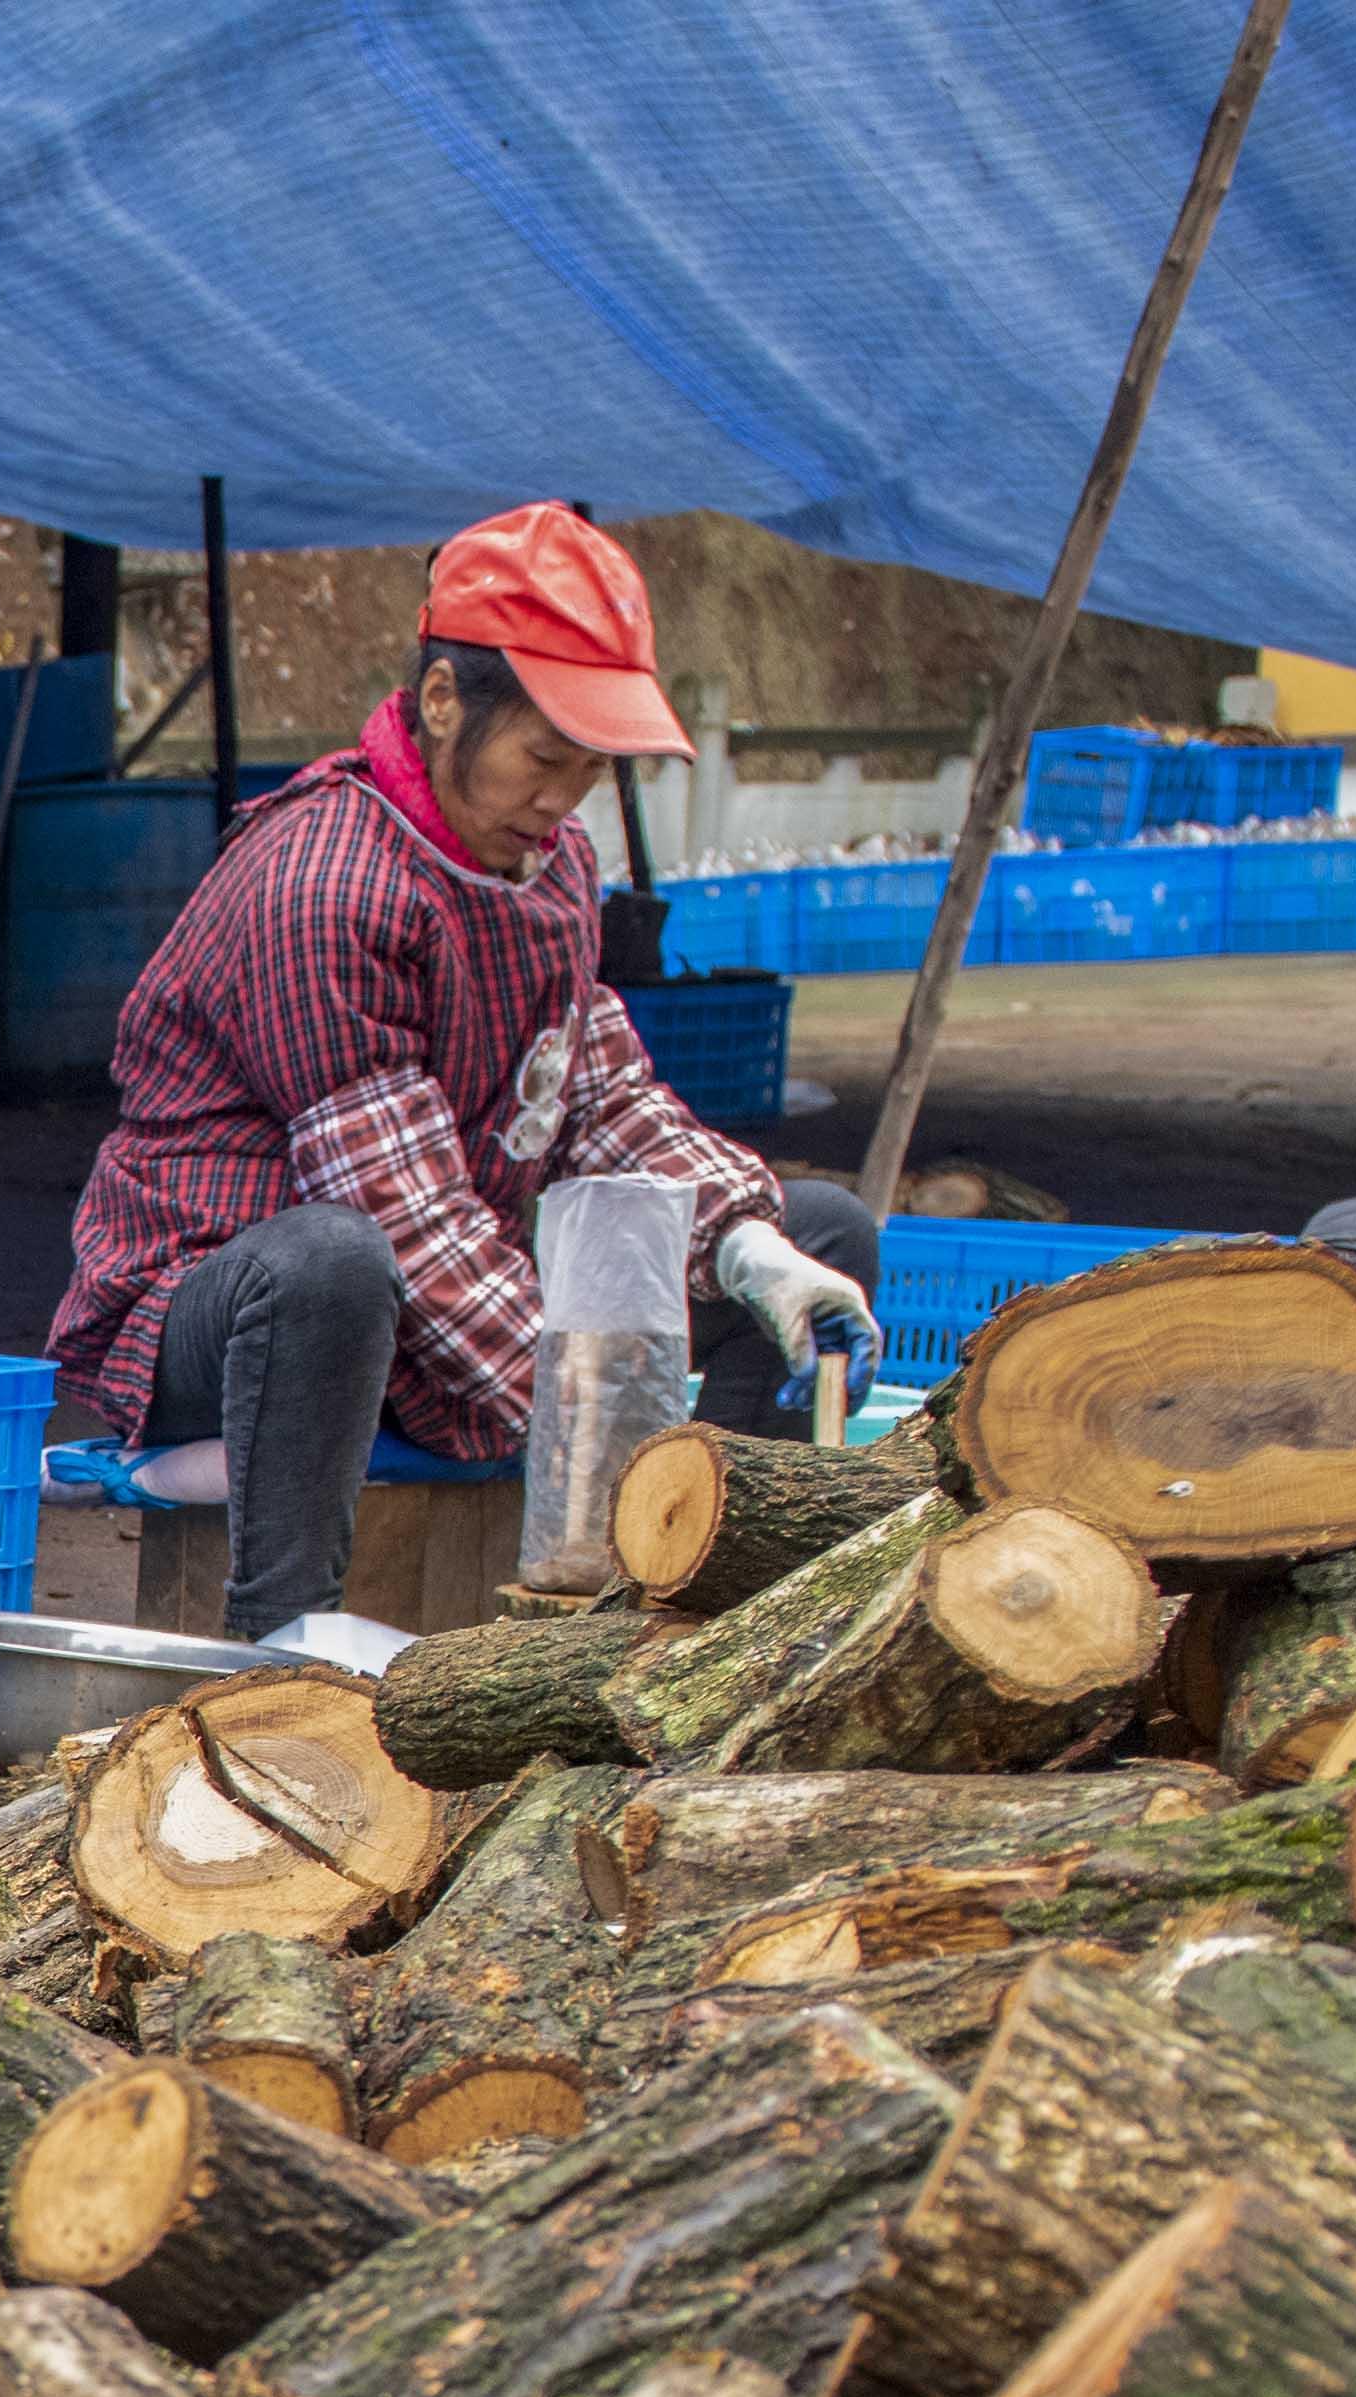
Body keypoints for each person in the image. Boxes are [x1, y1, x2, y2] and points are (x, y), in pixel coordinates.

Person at [61, 505, 881, 1646]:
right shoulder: (323, 885)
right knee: (332, 1261)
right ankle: (281, 1648)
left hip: (452, 1301)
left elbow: (599, 1098)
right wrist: (598, 1421)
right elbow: (401, 1217)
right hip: (236, 1308)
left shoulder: (552, 865)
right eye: (544, 758)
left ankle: (707, 1611)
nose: (563, 796)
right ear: (442, 699)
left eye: (590, 768)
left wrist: (747, 1248)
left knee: (824, 1228)